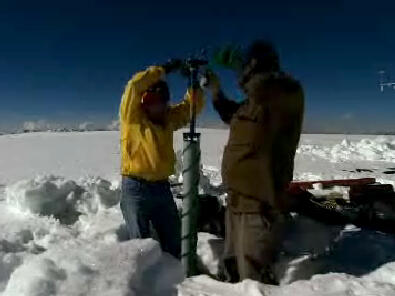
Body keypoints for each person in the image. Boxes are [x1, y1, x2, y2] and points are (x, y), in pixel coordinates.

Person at [207, 41, 304, 283]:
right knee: (231, 267)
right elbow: (232, 113)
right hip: (236, 202)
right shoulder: (252, 106)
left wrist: (242, 66)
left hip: (260, 207)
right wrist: (216, 91)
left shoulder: (284, 95)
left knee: (253, 278)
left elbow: (263, 88)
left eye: (247, 68)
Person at [119, 63, 205, 259]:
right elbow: (134, 86)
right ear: (143, 101)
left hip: (161, 188)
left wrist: (194, 85)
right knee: (140, 246)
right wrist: (163, 70)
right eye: (149, 100)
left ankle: (178, 280)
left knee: (174, 241)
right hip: (135, 188)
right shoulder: (132, 117)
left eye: (160, 101)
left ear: (166, 103)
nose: (154, 105)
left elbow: (190, 108)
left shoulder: (168, 119)